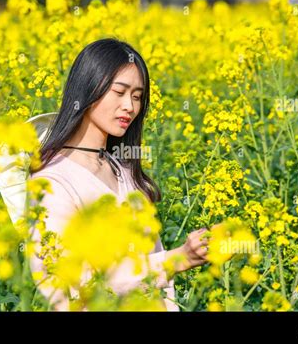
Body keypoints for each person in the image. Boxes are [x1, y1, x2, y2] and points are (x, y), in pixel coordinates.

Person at [28, 38, 211, 311]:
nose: (130, 106)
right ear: (89, 88)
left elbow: (154, 270)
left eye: (137, 96)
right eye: (120, 92)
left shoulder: (125, 172)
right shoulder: (51, 182)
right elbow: (75, 281)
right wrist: (181, 258)